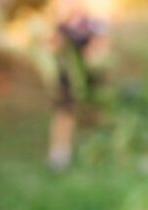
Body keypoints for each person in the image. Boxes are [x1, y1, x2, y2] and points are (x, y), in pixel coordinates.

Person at [47, 8, 107, 170]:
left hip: (90, 74)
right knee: (65, 112)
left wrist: (93, 51)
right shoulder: (62, 25)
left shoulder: (95, 23)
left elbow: (101, 48)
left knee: (96, 110)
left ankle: (97, 147)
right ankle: (60, 152)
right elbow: (53, 48)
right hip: (68, 76)